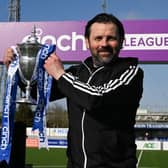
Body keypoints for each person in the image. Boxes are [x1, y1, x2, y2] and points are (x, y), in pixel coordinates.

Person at [4, 13, 144, 168]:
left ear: (121, 42)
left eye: (111, 38)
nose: (104, 44)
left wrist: (60, 74)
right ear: (87, 42)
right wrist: (18, 70)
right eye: (98, 38)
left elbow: (96, 98)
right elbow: (39, 95)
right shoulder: (76, 73)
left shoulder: (130, 71)